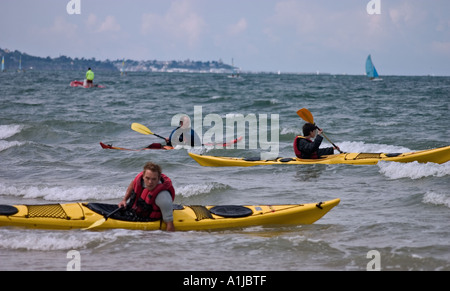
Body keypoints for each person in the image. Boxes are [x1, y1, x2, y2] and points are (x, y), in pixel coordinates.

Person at [118, 162, 175, 231]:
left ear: (159, 178)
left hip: (152, 220)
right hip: (136, 212)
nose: (150, 182)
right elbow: (133, 183)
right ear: (143, 176)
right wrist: (124, 200)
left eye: (154, 179)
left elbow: (170, 226)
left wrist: (162, 240)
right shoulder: (141, 180)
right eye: (147, 178)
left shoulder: (163, 197)